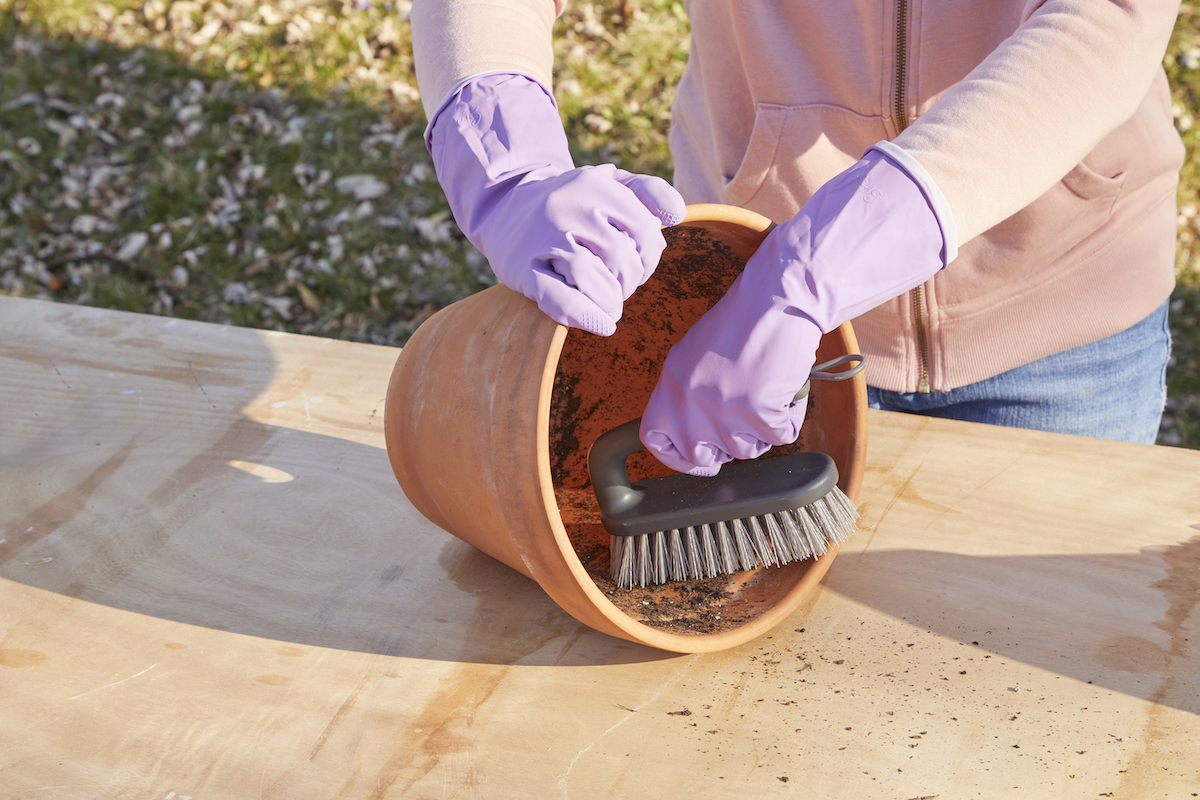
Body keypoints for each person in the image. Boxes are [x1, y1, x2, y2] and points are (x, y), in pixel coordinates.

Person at [411, 1, 1184, 476]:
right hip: (734, 311)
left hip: (1064, 319)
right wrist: (504, 162)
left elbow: (1109, 16)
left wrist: (820, 266)